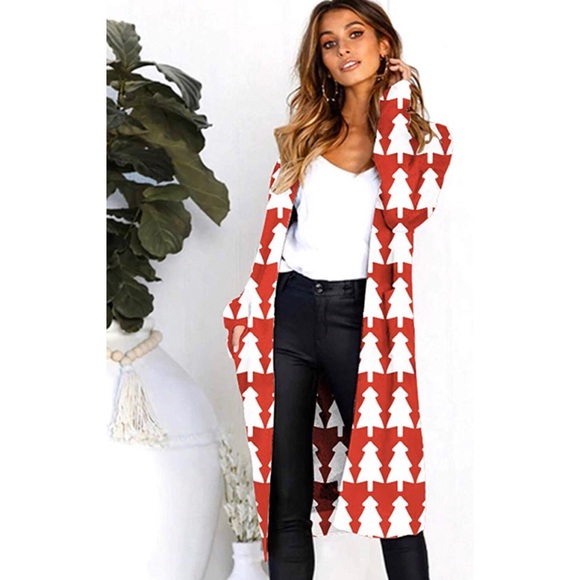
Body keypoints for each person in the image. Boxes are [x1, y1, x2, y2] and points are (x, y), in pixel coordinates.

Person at [222, 1, 453, 578]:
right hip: (290, 313)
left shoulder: (425, 143)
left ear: (383, 44)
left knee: (393, 494)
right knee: (285, 498)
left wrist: (397, 104)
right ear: (321, 59)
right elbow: (277, 237)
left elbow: (406, 210)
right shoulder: (305, 137)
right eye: (329, 42)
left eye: (356, 34)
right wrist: (251, 307)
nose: (344, 48)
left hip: (364, 321)